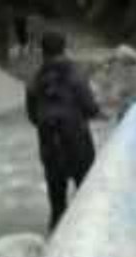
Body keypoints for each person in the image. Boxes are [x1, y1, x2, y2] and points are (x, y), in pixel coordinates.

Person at [25, 29, 101, 230]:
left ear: (42, 51)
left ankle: (53, 245)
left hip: (50, 146)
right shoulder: (76, 74)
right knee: (88, 199)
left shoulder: (34, 80)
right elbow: (91, 109)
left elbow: (32, 117)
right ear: (64, 48)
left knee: (57, 206)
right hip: (78, 144)